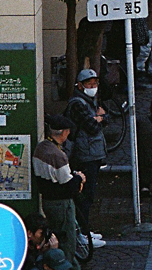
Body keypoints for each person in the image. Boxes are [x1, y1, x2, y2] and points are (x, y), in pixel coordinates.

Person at [33, 114, 84, 270]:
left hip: (47, 200)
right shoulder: (58, 155)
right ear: (64, 132)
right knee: (67, 240)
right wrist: (79, 178)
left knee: (55, 234)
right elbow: (68, 184)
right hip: (61, 204)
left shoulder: (41, 148)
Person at [63, 69, 107, 250]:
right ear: (80, 85)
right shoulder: (78, 104)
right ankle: (82, 234)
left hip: (92, 154)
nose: (93, 87)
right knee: (84, 197)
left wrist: (99, 118)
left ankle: (85, 230)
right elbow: (92, 127)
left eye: (95, 83)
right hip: (85, 155)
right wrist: (98, 118)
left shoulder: (90, 101)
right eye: (89, 84)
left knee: (88, 196)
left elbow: (105, 117)